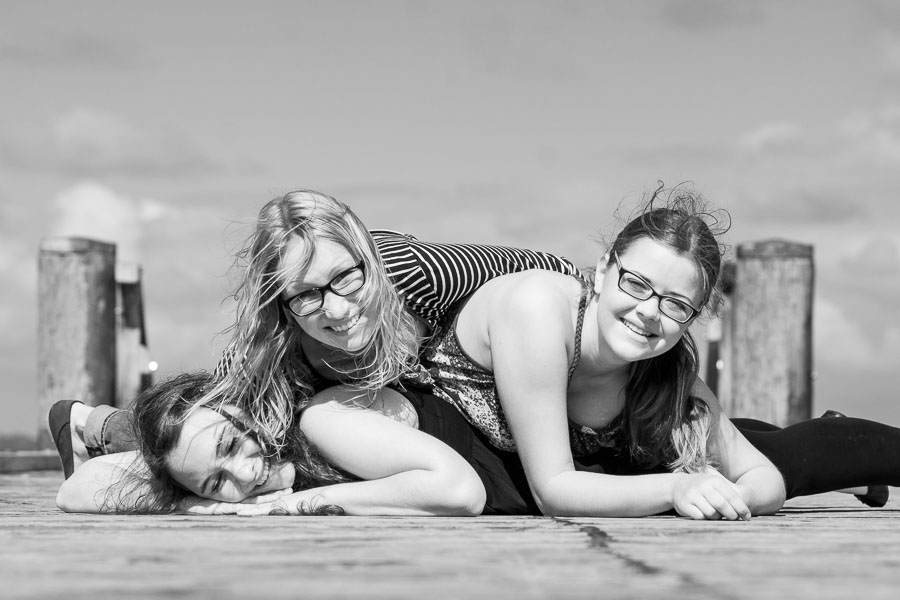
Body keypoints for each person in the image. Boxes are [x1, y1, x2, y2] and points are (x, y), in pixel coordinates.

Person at [417, 183, 900, 518]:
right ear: (602, 270)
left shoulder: (664, 365)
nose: (649, 312)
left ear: (693, 316)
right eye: (636, 284)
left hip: (615, 470)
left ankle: (852, 459)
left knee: (783, 457)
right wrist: (679, 487)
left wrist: (732, 497)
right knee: (731, 456)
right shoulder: (537, 308)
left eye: (676, 304)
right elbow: (554, 490)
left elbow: (761, 473)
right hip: (550, 474)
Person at [50, 189, 582, 478]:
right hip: (333, 405)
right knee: (204, 439)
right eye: (305, 295)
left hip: (438, 399)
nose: (338, 308)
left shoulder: (414, 270)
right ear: (280, 305)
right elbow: (200, 434)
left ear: (366, 257)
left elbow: (546, 270)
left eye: (345, 278)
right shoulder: (268, 353)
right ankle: (94, 425)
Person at [56, 371, 534, 516]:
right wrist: (196, 503)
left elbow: (460, 492)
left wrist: (285, 506)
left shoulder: (321, 422)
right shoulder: (207, 468)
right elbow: (74, 491)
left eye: (230, 446)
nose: (245, 475)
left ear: (241, 409)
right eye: (216, 481)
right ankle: (91, 423)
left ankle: (100, 425)